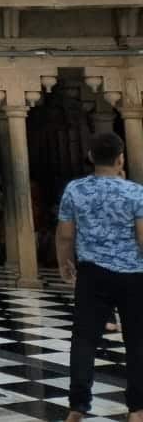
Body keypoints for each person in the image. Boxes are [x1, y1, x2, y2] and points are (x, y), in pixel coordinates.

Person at [55, 132, 143, 422]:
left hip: (92, 274)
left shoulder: (75, 190)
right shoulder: (135, 193)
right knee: (137, 342)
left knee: (84, 341)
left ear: (91, 157)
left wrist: (65, 265)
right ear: (121, 159)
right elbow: (142, 238)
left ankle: (77, 406)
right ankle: (137, 409)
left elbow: (66, 234)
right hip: (133, 276)